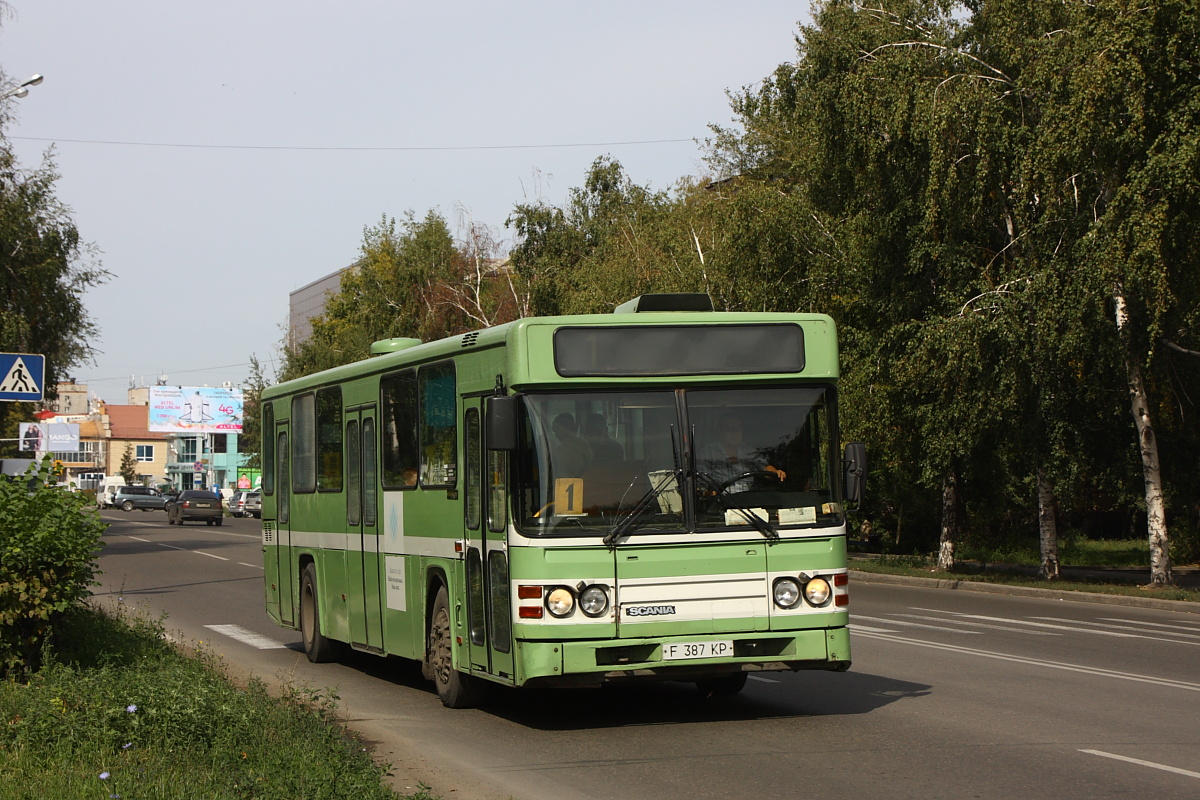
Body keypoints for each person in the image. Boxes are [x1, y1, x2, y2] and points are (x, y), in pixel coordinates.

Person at [700, 412, 786, 492]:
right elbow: (702, 483)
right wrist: (709, 492)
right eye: (730, 429)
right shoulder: (708, 453)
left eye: (739, 428)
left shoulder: (749, 451)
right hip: (721, 502)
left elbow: (764, 467)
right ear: (720, 432)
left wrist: (775, 473)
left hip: (747, 501)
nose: (735, 432)